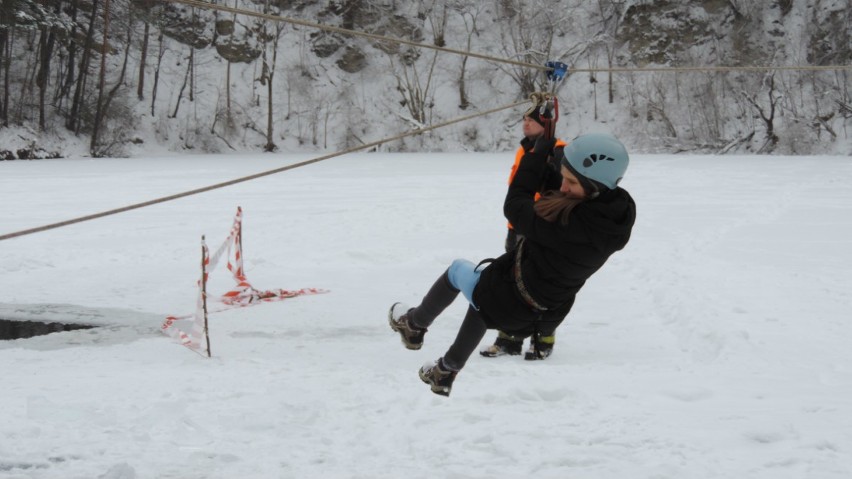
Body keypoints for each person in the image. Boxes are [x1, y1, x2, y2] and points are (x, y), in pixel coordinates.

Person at [388, 132, 636, 396]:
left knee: (458, 271)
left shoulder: (565, 225)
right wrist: (541, 147)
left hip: (517, 297)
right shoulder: (612, 212)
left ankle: (413, 324)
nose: (564, 186)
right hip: (544, 304)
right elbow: (557, 189)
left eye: (571, 181)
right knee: (482, 300)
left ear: (593, 184)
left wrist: (536, 155)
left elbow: (516, 204)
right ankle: (445, 371)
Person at [480, 106, 567, 361]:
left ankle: (543, 338)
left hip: (542, 226)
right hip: (517, 224)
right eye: (524, 119)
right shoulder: (525, 149)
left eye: (532, 120)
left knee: (543, 284)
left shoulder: (559, 150)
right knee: (512, 284)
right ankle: (510, 339)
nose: (525, 123)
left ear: (547, 124)